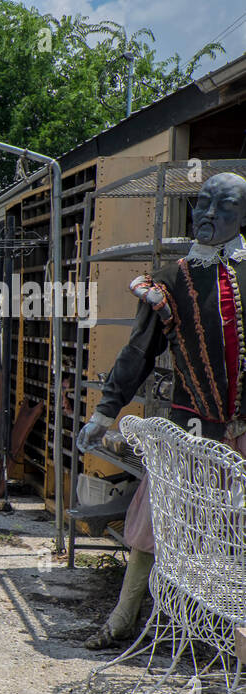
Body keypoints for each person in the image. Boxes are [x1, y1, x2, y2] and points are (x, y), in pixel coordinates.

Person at [76, 171, 246, 649]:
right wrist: (103, 415)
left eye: (224, 206)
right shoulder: (172, 278)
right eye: (203, 204)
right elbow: (136, 353)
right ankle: (125, 618)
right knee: (157, 522)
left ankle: (223, 632)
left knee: (236, 532)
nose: (209, 214)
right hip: (190, 430)